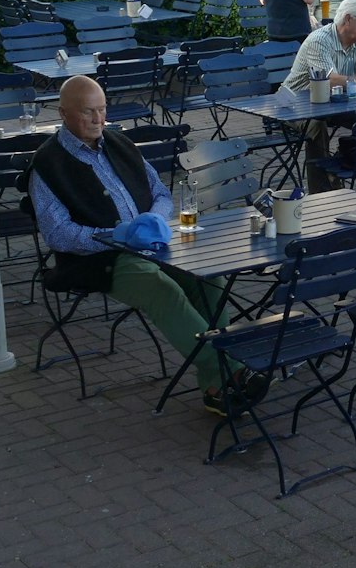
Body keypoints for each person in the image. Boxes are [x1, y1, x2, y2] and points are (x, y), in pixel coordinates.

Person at [26, 76, 241, 415]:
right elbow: (58, 234)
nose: (98, 119)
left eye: (102, 110)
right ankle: (233, 369)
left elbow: (160, 193)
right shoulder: (48, 163)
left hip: (153, 243)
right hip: (101, 258)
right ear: (64, 113)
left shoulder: (119, 143)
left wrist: (151, 220)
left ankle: (217, 386)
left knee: (209, 277)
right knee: (160, 287)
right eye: (88, 112)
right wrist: (118, 236)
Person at [285, 0, 356, 191]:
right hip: (294, 105)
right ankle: (321, 192)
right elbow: (329, 81)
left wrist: (347, 81)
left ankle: (342, 163)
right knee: (316, 125)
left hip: (334, 104)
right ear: (348, 19)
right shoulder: (320, 40)